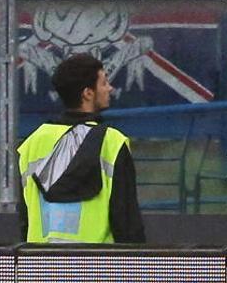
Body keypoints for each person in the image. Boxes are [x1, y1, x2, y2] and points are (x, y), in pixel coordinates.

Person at [17, 53, 145, 243]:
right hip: (96, 269)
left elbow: (26, 220)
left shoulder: (31, 144)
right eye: (103, 83)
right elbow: (126, 223)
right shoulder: (112, 143)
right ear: (88, 93)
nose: (109, 88)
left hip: (40, 267)